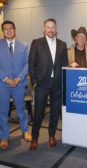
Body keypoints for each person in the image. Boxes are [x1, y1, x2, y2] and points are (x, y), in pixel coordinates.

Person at [28, 18, 68, 150]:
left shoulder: (63, 44)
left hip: (57, 84)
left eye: (53, 27)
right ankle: (34, 138)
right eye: (48, 27)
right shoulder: (37, 43)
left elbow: (64, 65)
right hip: (42, 84)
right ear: (44, 29)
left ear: (56, 29)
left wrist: (63, 82)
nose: (50, 30)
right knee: (38, 112)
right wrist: (34, 82)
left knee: (55, 112)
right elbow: (31, 63)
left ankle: (51, 136)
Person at [0, 20, 32, 150]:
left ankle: (25, 131)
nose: (8, 30)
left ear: (15, 29)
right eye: (5, 29)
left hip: (19, 84)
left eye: (11, 28)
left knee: (21, 109)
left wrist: (19, 78)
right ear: (3, 31)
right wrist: (5, 78)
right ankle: (4, 137)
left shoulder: (24, 45)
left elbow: (28, 64)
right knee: (2, 112)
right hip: (3, 85)